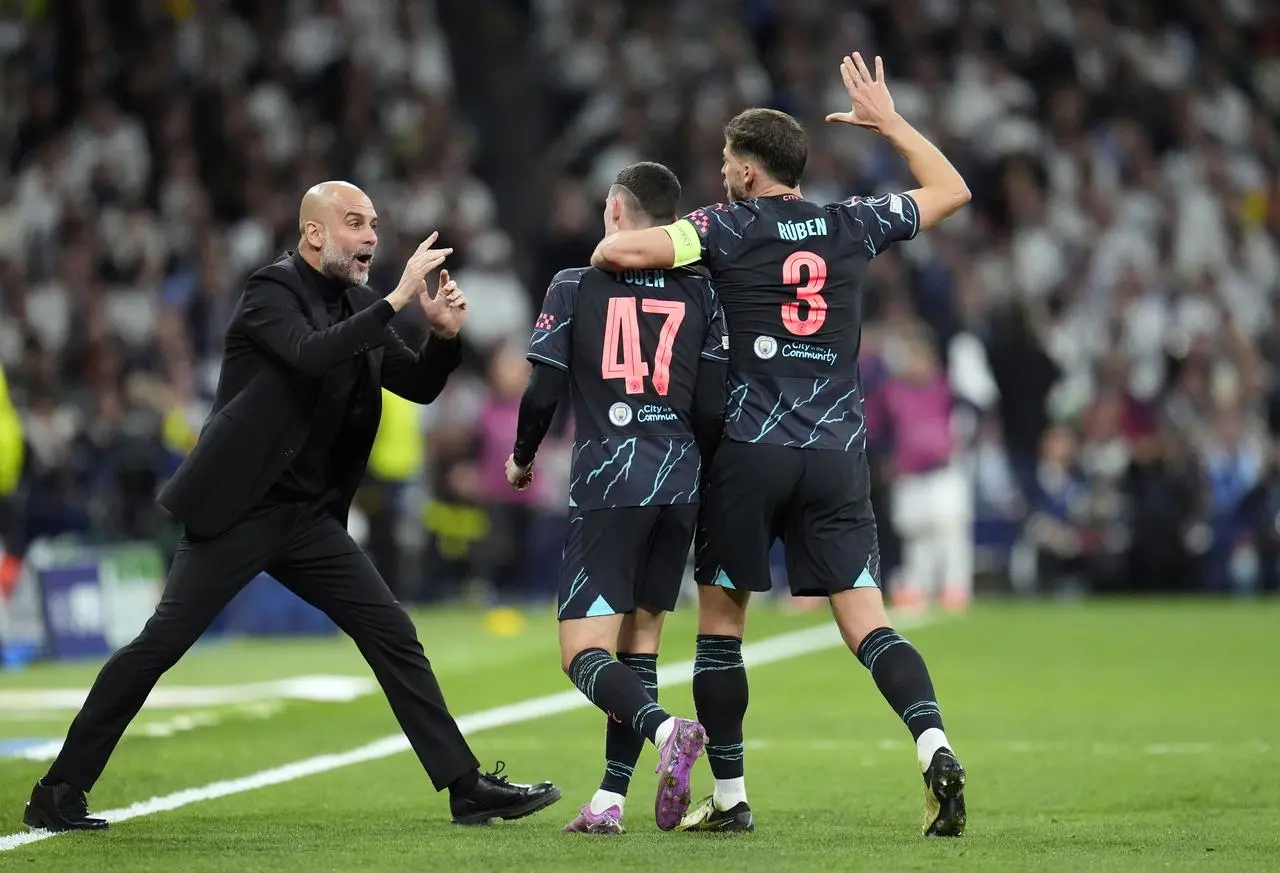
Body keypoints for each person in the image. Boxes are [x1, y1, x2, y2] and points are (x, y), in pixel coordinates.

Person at [22, 181, 560, 833]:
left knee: (392, 630)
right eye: (355, 223)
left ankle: (465, 785)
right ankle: (59, 788)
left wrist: (442, 338)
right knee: (159, 646)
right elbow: (310, 354)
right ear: (314, 234)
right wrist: (394, 300)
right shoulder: (271, 291)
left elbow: (415, 384)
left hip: (307, 517)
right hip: (240, 508)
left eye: (374, 225)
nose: (370, 237)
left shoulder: (358, 302)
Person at [589, 55, 972, 837]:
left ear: (753, 171)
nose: (722, 174)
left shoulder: (720, 227)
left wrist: (618, 240)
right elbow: (952, 191)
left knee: (722, 623)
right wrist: (891, 122)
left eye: (730, 164)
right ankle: (933, 741)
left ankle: (730, 801)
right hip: (836, 454)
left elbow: (620, 256)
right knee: (868, 620)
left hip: (749, 450)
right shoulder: (850, 223)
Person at [504, 162, 729, 834]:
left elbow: (543, 390)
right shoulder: (702, 291)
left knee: (581, 652)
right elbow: (714, 407)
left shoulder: (574, 285)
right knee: (640, 649)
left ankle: (667, 733)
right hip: (679, 482)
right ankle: (609, 801)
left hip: (610, 481)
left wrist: (520, 459)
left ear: (615, 213)